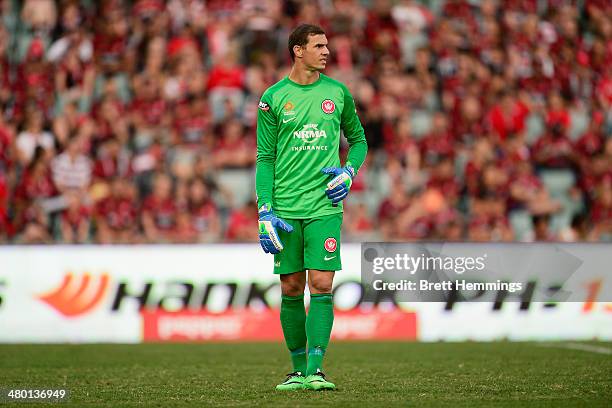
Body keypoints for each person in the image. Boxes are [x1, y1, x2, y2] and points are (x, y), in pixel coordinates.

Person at [255, 24, 368, 391]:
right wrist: (265, 210)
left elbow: (360, 140)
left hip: (324, 206)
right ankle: (296, 369)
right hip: (285, 209)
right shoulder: (273, 98)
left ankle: (316, 370)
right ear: (297, 50)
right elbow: (264, 158)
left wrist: (349, 172)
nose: (326, 52)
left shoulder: (337, 92)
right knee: (290, 287)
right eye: (318, 46)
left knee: (321, 283)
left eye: (327, 46)